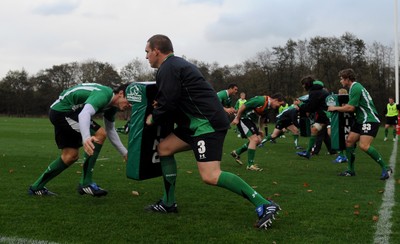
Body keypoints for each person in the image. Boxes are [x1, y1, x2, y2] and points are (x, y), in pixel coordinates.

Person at [143, 34, 280, 230]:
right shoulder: (174, 66)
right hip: (194, 125)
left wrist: (151, 118)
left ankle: (264, 204)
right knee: (164, 148)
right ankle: (168, 203)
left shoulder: (169, 67)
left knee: (210, 175)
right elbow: (175, 98)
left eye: (147, 52)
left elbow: (169, 103)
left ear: (157, 50)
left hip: (206, 125)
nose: (146, 56)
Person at [28, 83, 131, 196]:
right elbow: (84, 114)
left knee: (70, 156)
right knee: (100, 134)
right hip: (63, 111)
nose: (130, 105)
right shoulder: (104, 95)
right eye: (129, 100)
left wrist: (125, 153)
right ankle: (86, 183)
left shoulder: (112, 108)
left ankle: (36, 187)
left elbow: (111, 130)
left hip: (64, 112)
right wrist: (86, 138)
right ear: (121, 94)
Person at [328, 68, 392, 180]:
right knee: (349, 142)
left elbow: (351, 108)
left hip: (369, 119)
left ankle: (385, 167)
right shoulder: (354, 87)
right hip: (361, 120)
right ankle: (350, 170)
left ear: (347, 79)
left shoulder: (356, 87)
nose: (341, 81)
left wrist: (335, 108)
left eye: (342, 79)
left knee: (364, 145)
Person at [230, 93, 285, 171]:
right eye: (280, 104)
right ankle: (250, 165)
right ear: (275, 100)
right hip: (242, 117)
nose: (279, 106)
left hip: (248, 119)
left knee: (259, 140)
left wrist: (260, 129)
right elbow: (243, 106)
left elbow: (262, 117)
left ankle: (237, 152)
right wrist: (237, 118)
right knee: (254, 140)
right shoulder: (261, 100)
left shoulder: (269, 107)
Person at [294, 77, 330, 159]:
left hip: (327, 115)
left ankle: (342, 154)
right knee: (314, 130)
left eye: (303, 85)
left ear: (307, 84)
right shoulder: (320, 90)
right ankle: (308, 152)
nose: (303, 87)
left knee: (331, 133)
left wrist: (300, 104)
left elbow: (311, 107)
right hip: (324, 115)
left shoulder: (314, 92)